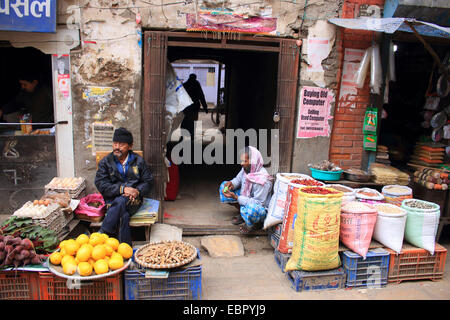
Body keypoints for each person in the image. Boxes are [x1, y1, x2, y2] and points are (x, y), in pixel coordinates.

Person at [95, 127, 153, 245]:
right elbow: (101, 184)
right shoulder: (105, 162)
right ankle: (125, 248)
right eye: (115, 143)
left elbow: (148, 181)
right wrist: (122, 189)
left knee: (123, 200)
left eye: (121, 144)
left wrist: (137, 191)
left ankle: (104, 231)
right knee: (123, 213)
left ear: (130, 146)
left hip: (134, 200)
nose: (117, 147)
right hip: (112, 200)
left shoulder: (138, 161)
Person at [218, 146, 273, 234]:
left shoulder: (262, 180)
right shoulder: (247, 169)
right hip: (245, 198)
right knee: (223, 186)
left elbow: (257, 203)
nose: (241, 164)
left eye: (244, 161)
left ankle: (256, 223)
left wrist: (236, 197)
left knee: (252, 209)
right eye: (241, 161)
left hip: (258, 207)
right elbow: (238, 179)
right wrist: (231, 183)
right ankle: (243, 214)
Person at [181, 73, 208, 138]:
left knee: (185, 120)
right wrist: (205, 107)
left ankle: (184, 134)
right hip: (194, 107)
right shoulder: (196, 84)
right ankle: (192, 135)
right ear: (195, 78)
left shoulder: (185, 85)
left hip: (186, 107)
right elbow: (201, 96)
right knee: (193, 121)